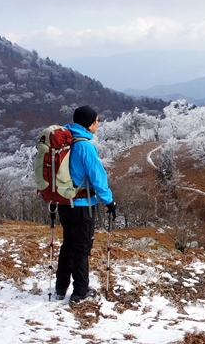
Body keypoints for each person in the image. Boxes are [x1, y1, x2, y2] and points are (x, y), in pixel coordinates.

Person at [54, 105, 117, 304]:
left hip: (65, 202)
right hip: (82, 205)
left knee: (68, 245)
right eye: (97, 121)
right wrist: (109, 201)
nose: (98, 124)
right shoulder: (85, 146)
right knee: (81, 248)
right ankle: (81, 291)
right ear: (90, 125)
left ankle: (61, 287)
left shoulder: (67, 141)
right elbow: (98, 177)